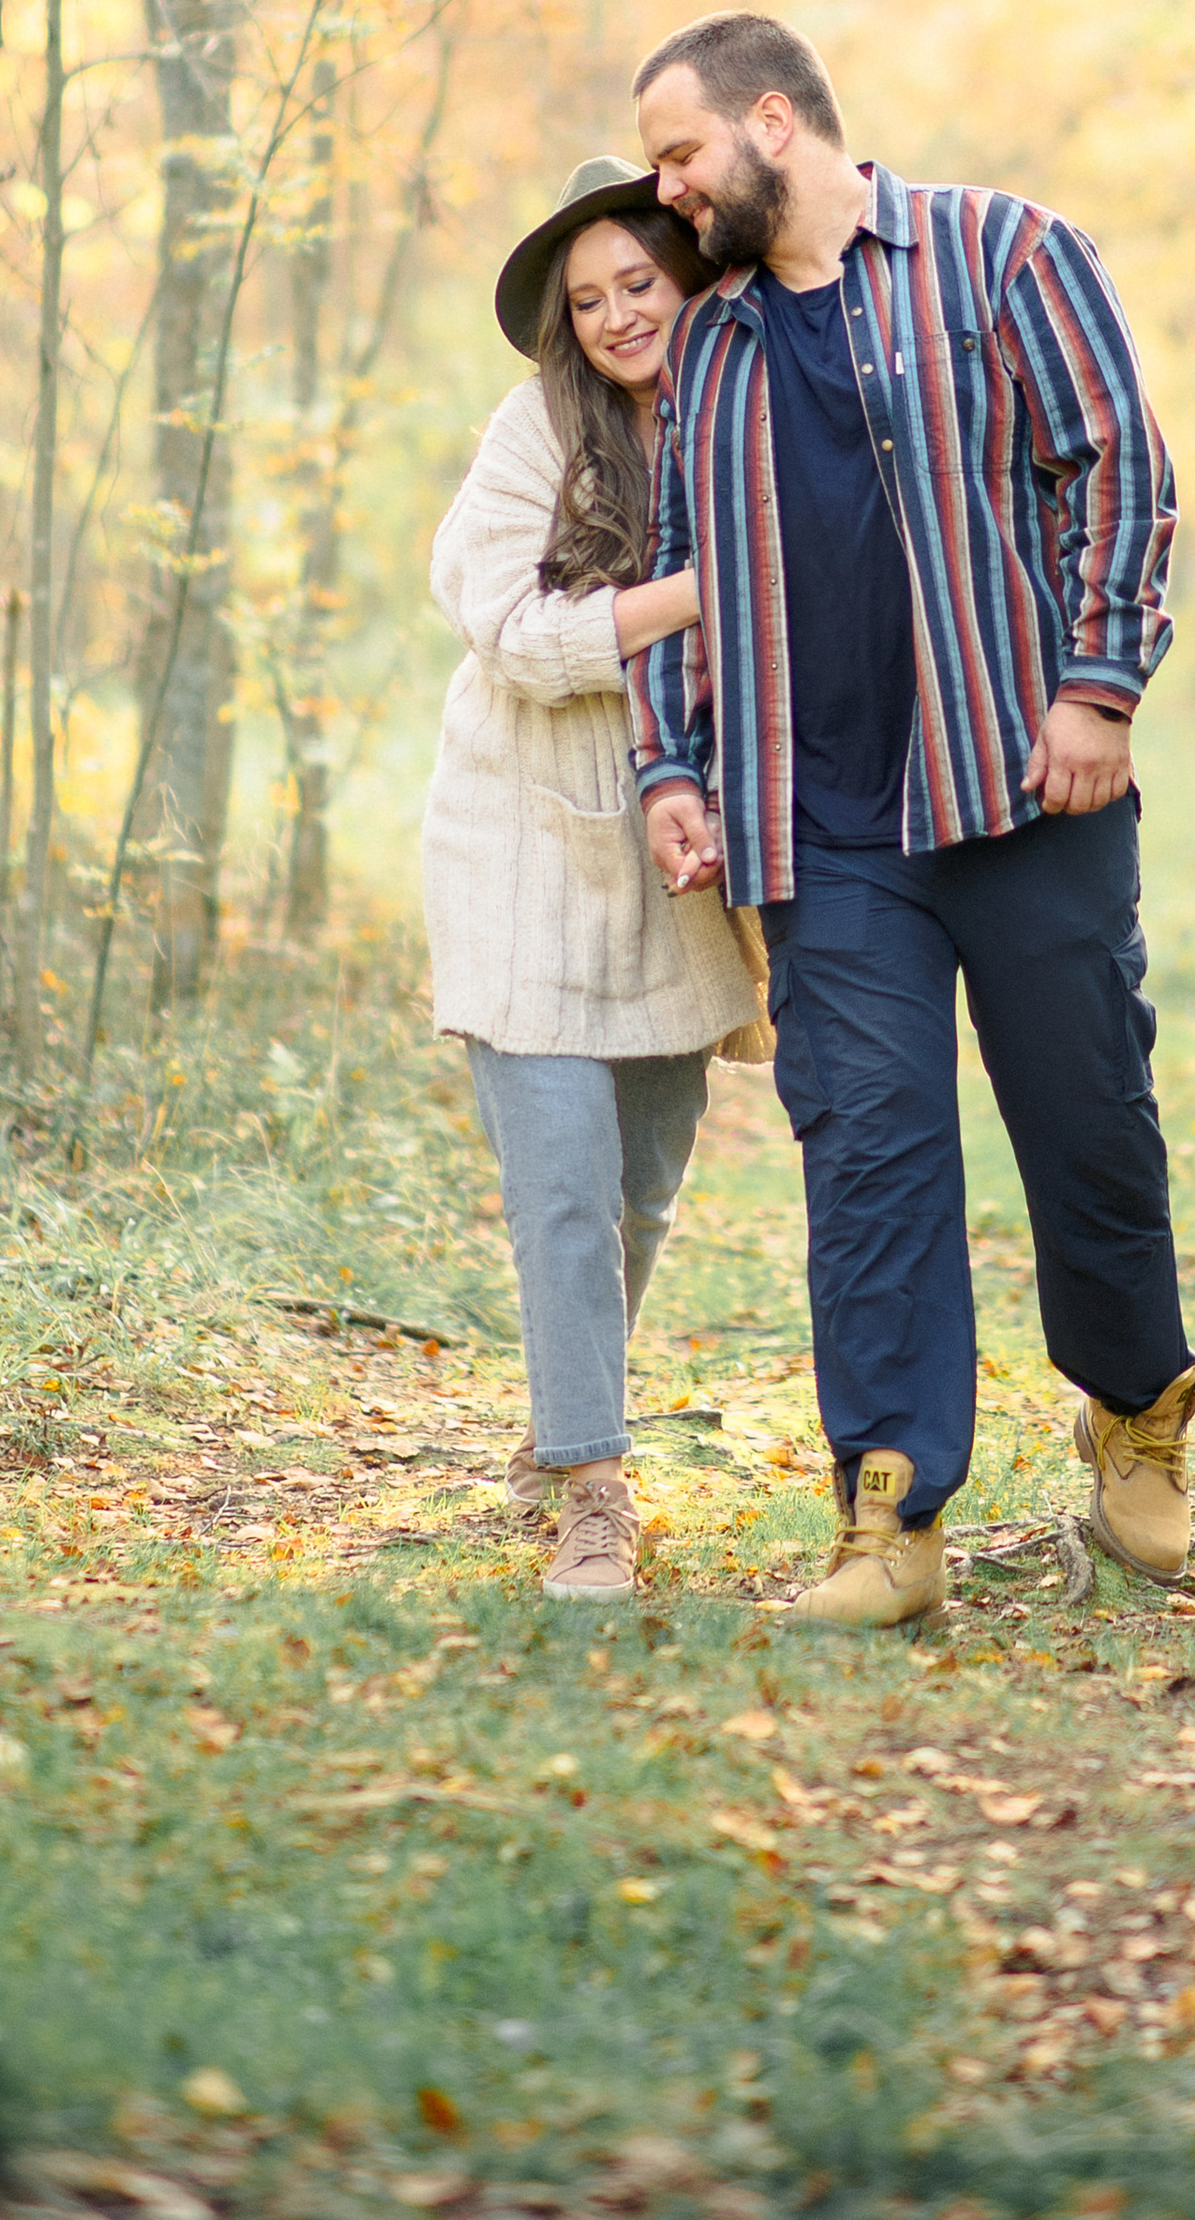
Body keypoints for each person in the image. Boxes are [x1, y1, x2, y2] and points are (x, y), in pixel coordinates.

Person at [627, 15, 1195, 1630]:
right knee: (868, 1160)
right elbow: (677, 572)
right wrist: (674, 772)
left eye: (679, 154)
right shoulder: (712, 344)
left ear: (770, 122)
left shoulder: (1003, 250)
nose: (665, 192)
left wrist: (1098, 684)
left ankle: (1139, 1405)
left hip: (1026, 790)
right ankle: (890, 1524)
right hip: (823, 832)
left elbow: (1121, 477)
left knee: (1089, 1124)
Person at [422, 153, 767, 1605]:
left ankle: (567, 1423)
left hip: (679, 869)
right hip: (520, 851)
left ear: (686, 281)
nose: (622, 312)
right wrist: (716, 588)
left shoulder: (741, 415)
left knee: (636, 1191)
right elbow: (517, 632)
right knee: (559, 1185)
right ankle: (592, 1488)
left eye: (641, 280)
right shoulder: (533, 433)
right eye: (591, 298)